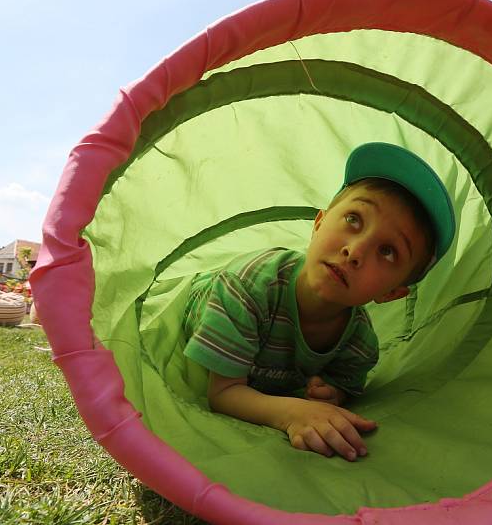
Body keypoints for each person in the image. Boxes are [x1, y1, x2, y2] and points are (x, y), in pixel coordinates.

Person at [182, 142, 456, 460]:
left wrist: (331, 393)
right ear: (318, 223)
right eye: (354, 219)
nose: (355, 251)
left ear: (391, 294)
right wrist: (291, 413)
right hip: (206, 298)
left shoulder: (359, 347)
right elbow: (223, 393)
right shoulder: (245, 288)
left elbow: (344, 386)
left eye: (387, 251)